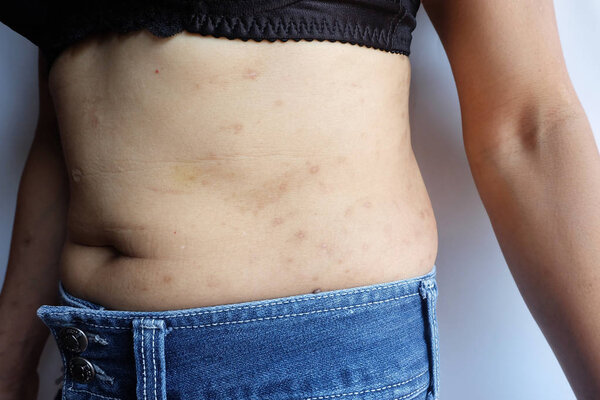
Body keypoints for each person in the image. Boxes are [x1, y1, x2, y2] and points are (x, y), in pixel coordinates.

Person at [0, 0, 598, 399]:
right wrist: (11, 360)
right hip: (91, 360)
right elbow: (67, 126)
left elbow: (530, 127)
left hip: (305, 365)